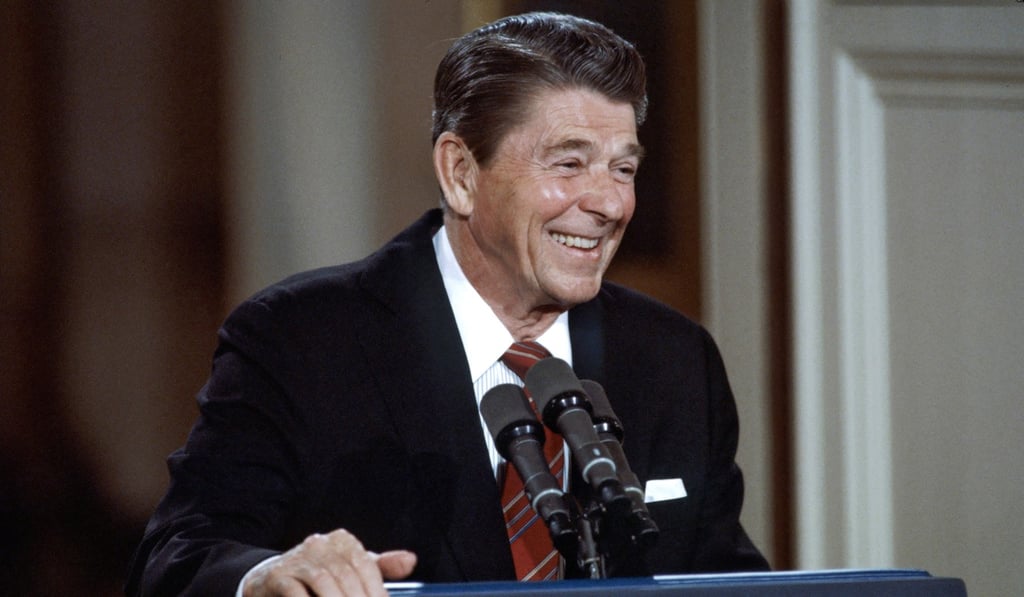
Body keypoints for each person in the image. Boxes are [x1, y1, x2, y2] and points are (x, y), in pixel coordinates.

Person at [126, 12, 768, 597]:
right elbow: (174, 560)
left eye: (623, 169)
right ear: (461, 172)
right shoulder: (299, 342)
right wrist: (265, 576)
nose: (609, 204)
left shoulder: (674, 359)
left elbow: (725, 579)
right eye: (569, 164)